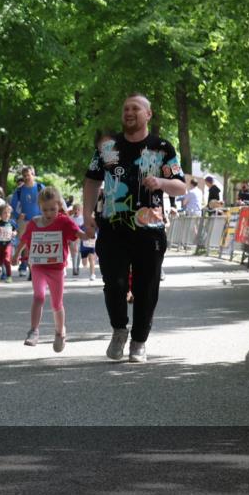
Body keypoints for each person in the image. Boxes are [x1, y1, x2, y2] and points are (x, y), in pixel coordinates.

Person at [82, 94, 186, 363]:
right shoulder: (110, 147)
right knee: (114, 284)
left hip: (149, 229)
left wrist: (162, 184)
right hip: (113, 227)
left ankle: (139, 340)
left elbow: (180, 186)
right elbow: (92, 180)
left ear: (148, 114)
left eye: (135, 108)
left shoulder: (162, 147)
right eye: (125, 108)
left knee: (146, 287)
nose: (129, 112)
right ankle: (119, 329)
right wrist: (87, 213)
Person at [13, 186, 85, 352]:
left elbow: (77, 232)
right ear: (40, 207)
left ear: (59, 205)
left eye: (53, 209)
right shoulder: (34, 223)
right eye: (45, 209)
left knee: (56, 303)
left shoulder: (63, 221)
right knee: (38, 296)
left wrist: (88, 235)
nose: (49, 213)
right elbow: (24, 239)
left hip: (57, 269)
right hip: (38, 266)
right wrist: (16, 254)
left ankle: (60, 333)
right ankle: (33, 331)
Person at [9, 165, 43, 278]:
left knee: (38, 246)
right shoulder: (19, 190)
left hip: (40, 221)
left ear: (33, 174)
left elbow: (49, 200)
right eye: (24, 176)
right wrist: (18, 215)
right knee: (26, 246)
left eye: (28, 175)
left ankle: (38, 269)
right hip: (25, 222)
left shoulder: (40, 187)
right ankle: (31, 270)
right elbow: (12, 206)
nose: (26, 177)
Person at [0, 203, 16, 282]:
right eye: (5, 212)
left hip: (8, 244)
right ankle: (4, 272)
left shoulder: (11, 223)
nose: (7, 214)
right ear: (0, 214)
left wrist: (13, 233)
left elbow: (15, 231)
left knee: (7, 259)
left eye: (8, 212)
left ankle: (9, 276)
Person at [68, 203, 84, 276]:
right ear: (73, 210)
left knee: (78, 252)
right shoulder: (70, 218)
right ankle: (74, 268)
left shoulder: (82, 218)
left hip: (81, 237)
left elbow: (84, 229)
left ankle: (77, 267)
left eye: (78, 209)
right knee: (74, 252)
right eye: (75, 209)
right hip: (72, 237)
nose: (76, 211)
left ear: (81, 211)